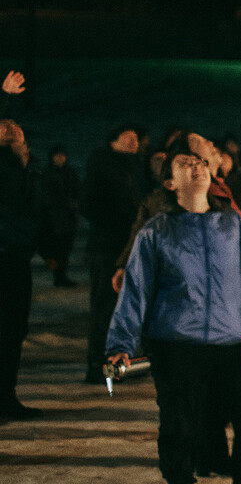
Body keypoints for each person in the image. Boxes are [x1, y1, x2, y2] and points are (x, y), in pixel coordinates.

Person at [106, 145, 241, 484]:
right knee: (180, 426)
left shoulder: (232, 224)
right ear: (169, 183)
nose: (197, 166)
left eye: (200, 162)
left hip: (228, 342)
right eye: (185, 163)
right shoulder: (156, 231)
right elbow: (135, 291)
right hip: (176, 344)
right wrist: (121, 343)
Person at [82, 123, 145, 384]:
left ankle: (121, 366)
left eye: (136, 138)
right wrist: (117, 224)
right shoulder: (102, 165)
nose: (133, 141)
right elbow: (88, 204)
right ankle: (98, 366)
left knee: (125, 308)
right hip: (107, 247)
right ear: (112, 141)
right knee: (105, 307)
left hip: (128, 247)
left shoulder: (135, 168)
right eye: (127, 137)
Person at [0, 118, 41, 420]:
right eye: (6, 126)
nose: (12, 128)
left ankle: (5, 396)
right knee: (8, 329)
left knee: (13, 329)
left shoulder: (25, 166)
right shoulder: (11, 167)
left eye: (15, 126)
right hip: (8, 252)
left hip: (16, 256)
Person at [39, 144, 82, 288]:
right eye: (57, 156)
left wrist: (76, 206)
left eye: (62, 155)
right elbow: (46, 196)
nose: (60, 158)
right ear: (52, 158)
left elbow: (77, 191)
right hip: (54, 218)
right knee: (56, 249)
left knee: (65, 249)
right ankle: (59, 276)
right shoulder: (47, 173)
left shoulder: (70, 172)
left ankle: (61, 276)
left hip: (68, 217)